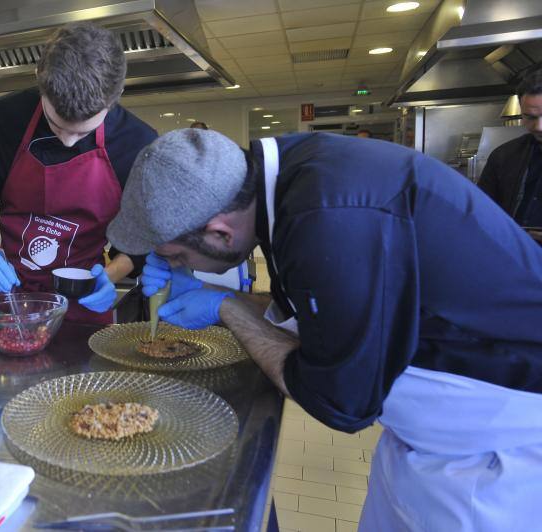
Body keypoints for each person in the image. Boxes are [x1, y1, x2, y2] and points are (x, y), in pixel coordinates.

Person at [107, 128, 542, 531]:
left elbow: (340, 399)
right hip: (424, 434)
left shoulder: (329, 218)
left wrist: (227, 308)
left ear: (219, 232)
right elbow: (328, 317)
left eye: (179, 258)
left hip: (492, 443)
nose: (179, 267)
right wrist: (218, 293)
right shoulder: (290, 177)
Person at [0, 22, 157, 324]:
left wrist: (111, 275)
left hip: (84, 302)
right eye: (56, 124)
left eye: (83, 132)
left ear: (116, 97)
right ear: (40, 79)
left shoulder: (137, 142)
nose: (68, 140)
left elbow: (140, 237)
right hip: (9, 299)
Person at [478, 69, 542, 227]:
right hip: (515, 249)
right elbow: (483, 212)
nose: (539, 127)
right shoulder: (503, 156)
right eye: (530, 117)